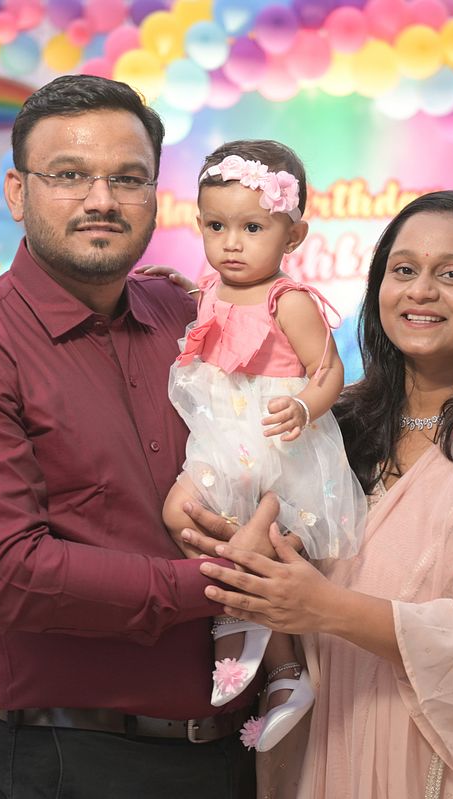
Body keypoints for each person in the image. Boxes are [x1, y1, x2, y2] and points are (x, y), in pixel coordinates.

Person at [182, 190, 453, 798]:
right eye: (403, 270)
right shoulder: (334, 425)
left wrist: (326, 608)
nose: (421, 291)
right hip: (336, 733)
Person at [0, 75, 259, 799]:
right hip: (77, 759)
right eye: (68, 175)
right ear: (17, 193)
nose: (101, 200)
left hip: (243, 748)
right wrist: (224, 581)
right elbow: (7, 575)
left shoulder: (186, 315)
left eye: (128, 178)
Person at [158, 140, 367, 752]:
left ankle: (280, 665)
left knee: (264, 549)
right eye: (216, 226)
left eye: (252, 228)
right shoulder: (212, 288)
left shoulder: (289, 300)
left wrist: (304, 406)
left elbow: (328, 370)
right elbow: (213, 325)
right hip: (223, 442)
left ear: (293, 234)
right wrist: (180, 290)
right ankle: (248, 629)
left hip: (274, 444)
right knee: (182, 513)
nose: (232, 243)